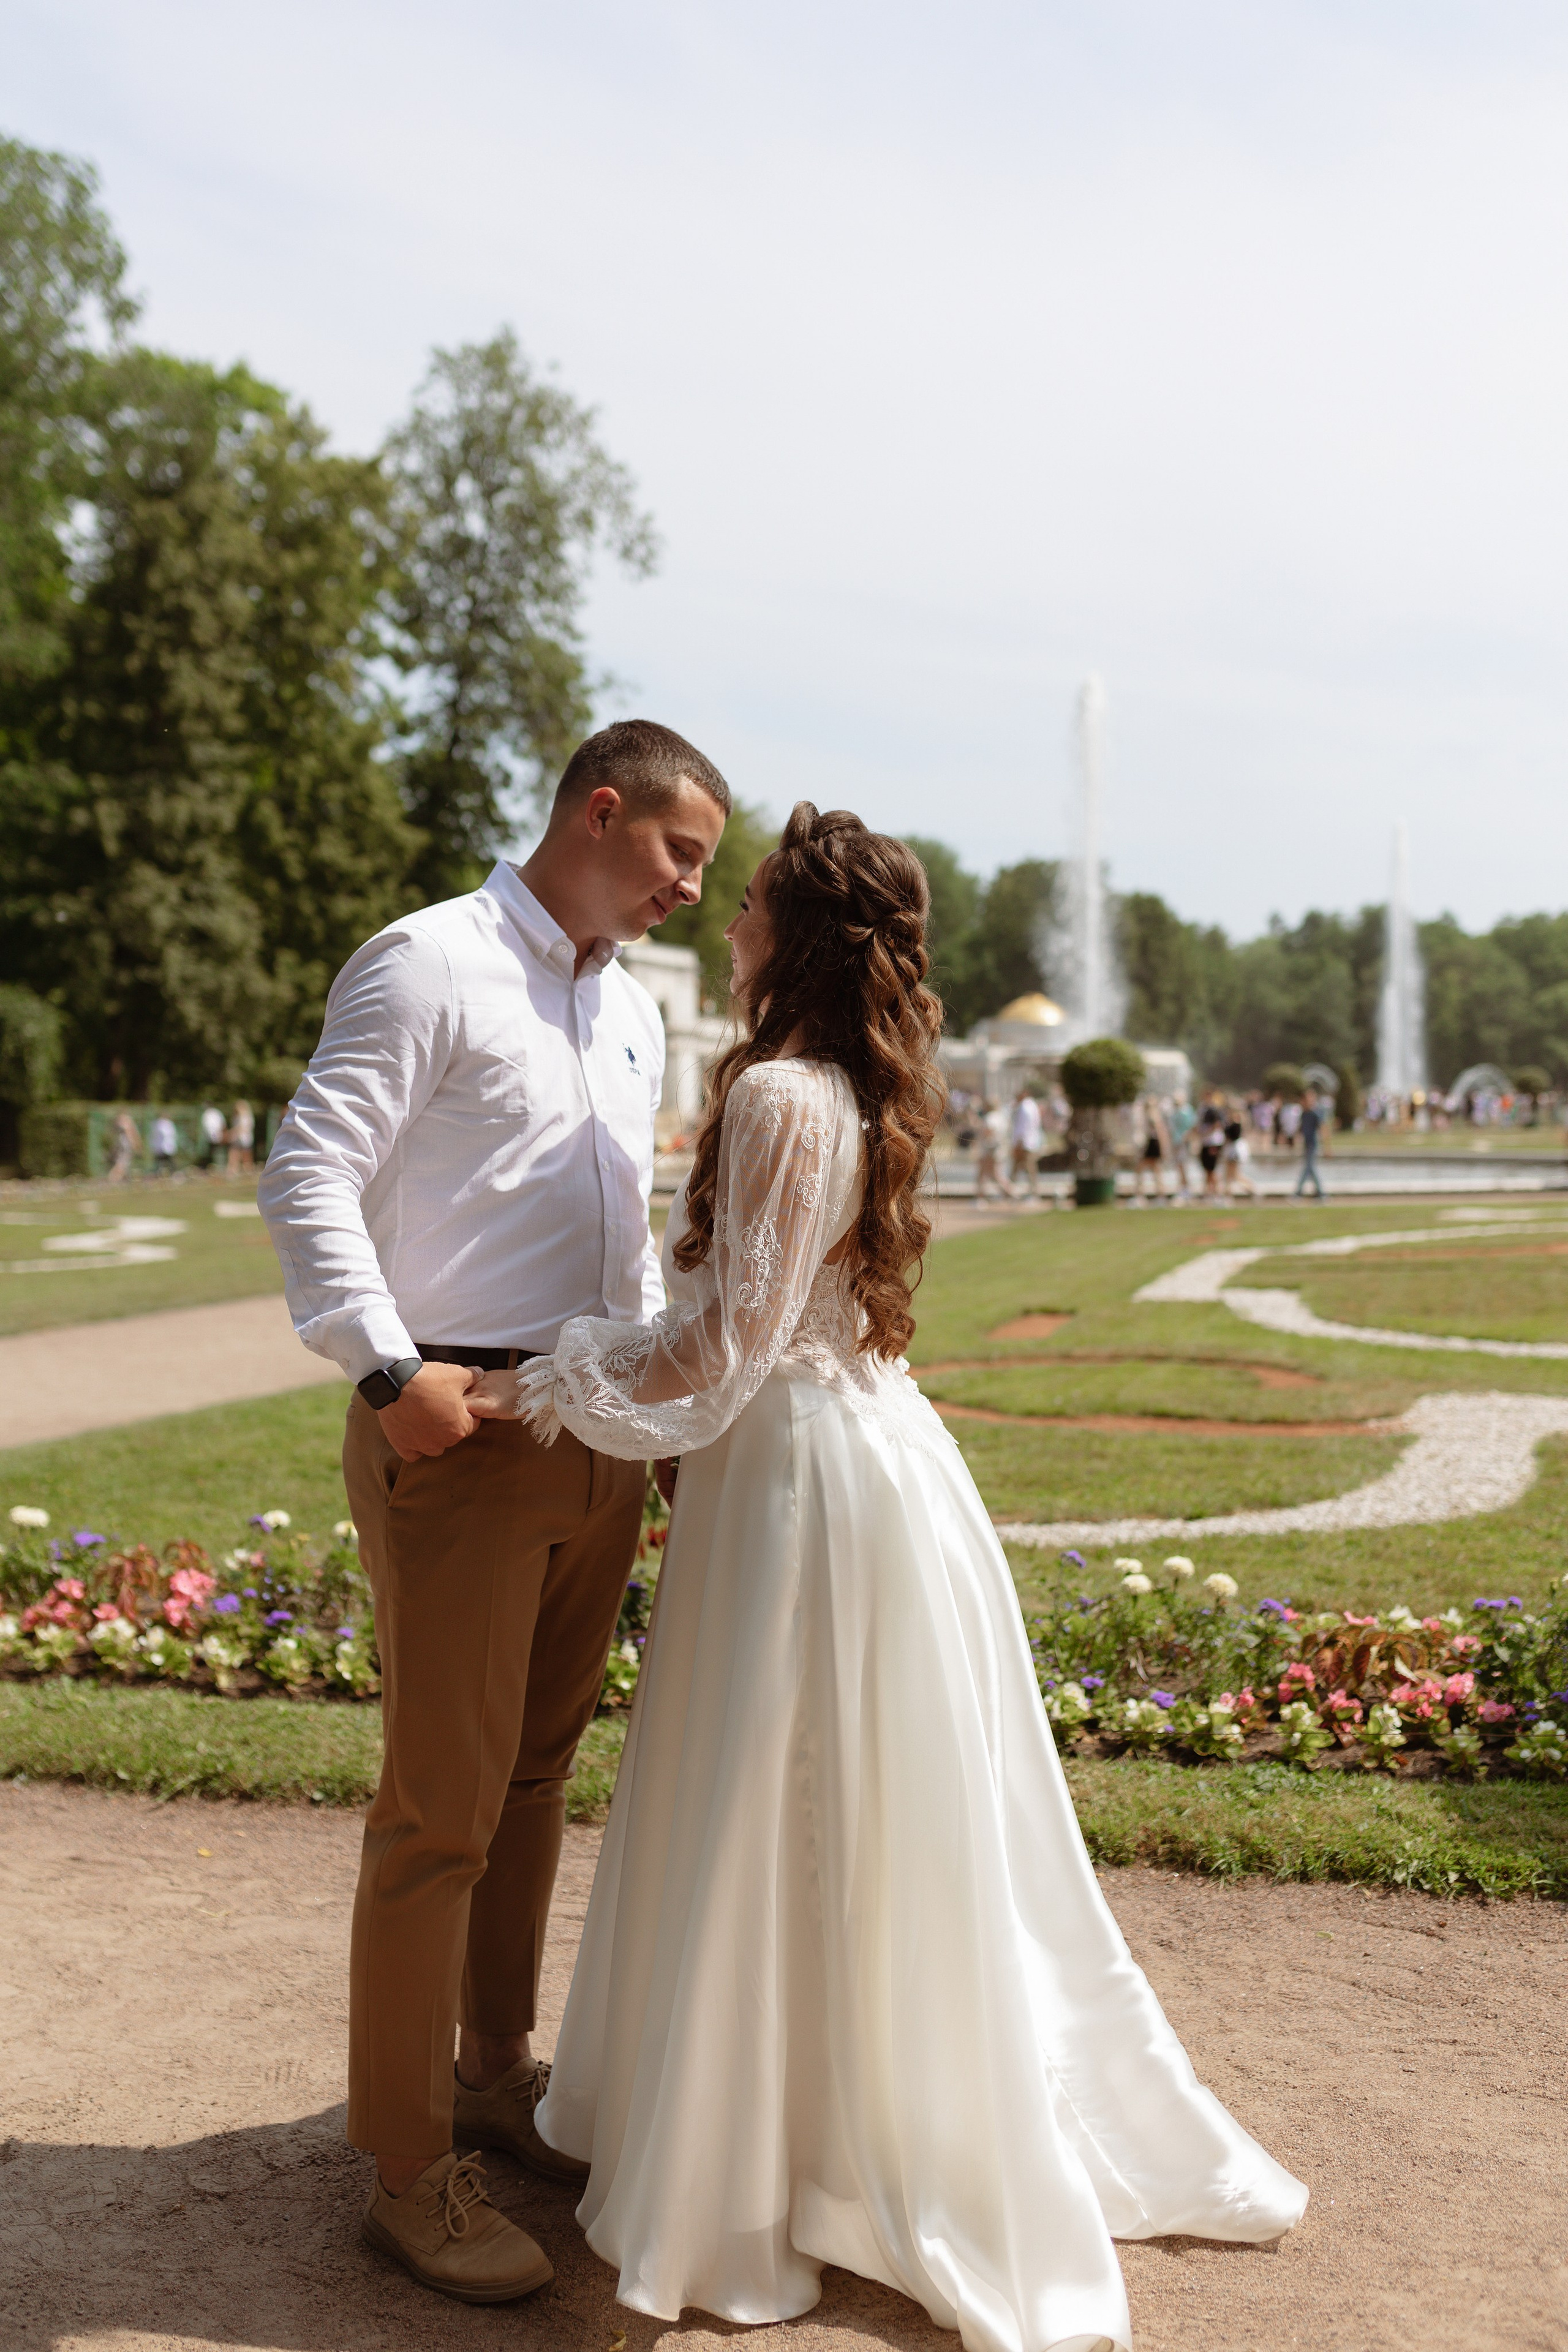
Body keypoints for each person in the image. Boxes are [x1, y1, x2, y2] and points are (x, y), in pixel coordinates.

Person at [466, 805, 1306, 2349]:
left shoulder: (781, 1093)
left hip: (801, 1485)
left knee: (775, 1791)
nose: (725, 920)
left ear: (796, 934)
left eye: (750, 901)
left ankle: (766, 2160)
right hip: (852, 1456)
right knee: (851, 1807)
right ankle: (818, 2130)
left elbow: (728, 1350)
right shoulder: (845, 1088)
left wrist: (551, 1378)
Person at [258, 718, 731, 2306]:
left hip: (594, 1428)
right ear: (601, 812)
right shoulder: (428, 962)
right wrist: (386, 1370)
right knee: (437, 1816)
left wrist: (657, 1413)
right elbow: (308, 1171)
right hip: (456, 1429)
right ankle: (406, 2171)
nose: (689, 887)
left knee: (532, 1781)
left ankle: (488, 2073)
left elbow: (626, 1239)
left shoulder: (628, 1007)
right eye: (678, 852)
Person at [1008, 1085, 1042, 1197]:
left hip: (1024, 1143)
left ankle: (1032, 1192)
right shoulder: (1032, 1105)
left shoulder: (1025, 1107)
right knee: (1019, 1167)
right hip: (1030, 1142)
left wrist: (1019, 1142)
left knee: (1028, 1167)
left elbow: (1023, 1127)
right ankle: (1010, 1190)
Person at [973, 1098, 1011, 1199]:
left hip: (990, 1149)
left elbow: (989, 1131)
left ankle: (980, 1197)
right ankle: (1009, 1193)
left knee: (986, 1173)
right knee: (993, 1174)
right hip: (998, 1148)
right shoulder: (1001, 1117)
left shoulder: (990, 1117)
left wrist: (982, 1138)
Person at [1295, 1084, 1326, 1198]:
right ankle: (1321, 1193)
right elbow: (1301, 1129)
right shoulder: (1304, 1113)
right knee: (1311, 1169)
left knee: (1308, 1168)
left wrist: (1327, 1148)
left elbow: (1323, 1129)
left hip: (1313, 1144)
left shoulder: (1315, 1113)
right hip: (1307, 1144)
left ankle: (1298, 1192)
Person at [227, 1098, 255, 1174]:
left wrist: (232, 1133)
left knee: (245, 1156)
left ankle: (243, 1169)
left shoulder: (245, 1117)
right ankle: (234, 1169)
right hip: (239, 1138)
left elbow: (244, 1128)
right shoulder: (238, 1117)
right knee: (236, 1153)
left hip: (244, 1138)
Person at [149, 1112, 179, 1177]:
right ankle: (160, 1173)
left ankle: (171, 1173)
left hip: (165, 1146)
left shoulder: (163, 1123)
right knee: (161, 1161)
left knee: (168, 1161)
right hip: (163, 1146)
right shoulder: (161, 1124)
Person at [200, 1103, 227, 1170]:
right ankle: (216, 1166)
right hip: (215, 1136)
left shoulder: (209, 1114)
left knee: (217, 1152)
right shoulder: (215, 1113)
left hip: (215, 1136)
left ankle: (219, 1167)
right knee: (215, 1152)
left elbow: (209, 1128)